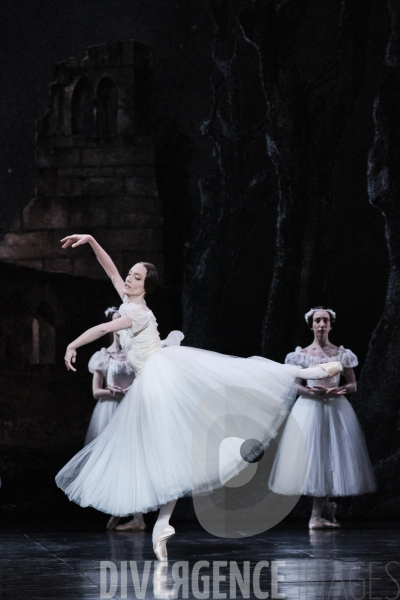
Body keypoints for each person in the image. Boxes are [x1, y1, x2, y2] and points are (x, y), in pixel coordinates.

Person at [55, 235, 343, 561]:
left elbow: (102, 329)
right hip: (151, 381)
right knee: (168, 455)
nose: (128, 278)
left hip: (161, 377)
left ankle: (308, 373)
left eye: (136, 277)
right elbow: (110, 271)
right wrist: (92, 241)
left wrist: (73, 344)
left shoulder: (137, 314)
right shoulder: (127, 299)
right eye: (130, 275)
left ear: (145, 286)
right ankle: (162, 524)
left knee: (235, 375)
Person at [268, 307, 377, 529]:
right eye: (317, 321)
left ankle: (326, 510)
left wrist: (336, 391)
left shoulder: (342, 354)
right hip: (310, 409)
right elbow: (295, 386)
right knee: (316, 455)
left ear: (330, 325)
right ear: (311, 325)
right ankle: (316, 516)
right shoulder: (301, 355)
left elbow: (353, 385)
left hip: (335, 407)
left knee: (329, 456)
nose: (321, 324)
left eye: (325, 321)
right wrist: (312, 392)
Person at [85, 306, 146, 532]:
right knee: (116, 463)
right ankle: (119, 512)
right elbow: (95, 392)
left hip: (130, 411)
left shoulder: (136, 354)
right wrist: (111, 391)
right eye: (116, 321)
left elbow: (146, 381)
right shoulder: (103, 356)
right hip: (110, 411)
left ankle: (136, 517)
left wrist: (132, 389)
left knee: (133, 463)